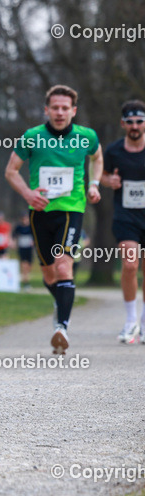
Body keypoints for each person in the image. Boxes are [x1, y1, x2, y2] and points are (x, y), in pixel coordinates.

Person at [4, 84, 102, 354]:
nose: (60, 113)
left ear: (74, 111)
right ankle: (61, 305)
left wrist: (94, 184)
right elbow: (11, 171)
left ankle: (62, 327)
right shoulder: (32, 137)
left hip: (72, 209)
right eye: (55, 108)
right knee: (48, 274)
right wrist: (27, 194)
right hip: (40, 212)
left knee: (62, 267)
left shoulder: (86, 137)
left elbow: (98, 157)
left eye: (65, 108)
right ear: (46, 110)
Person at [101, 99, 145, 345]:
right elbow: (103, 174)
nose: (135, 126)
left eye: (139, 121)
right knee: (130, 265)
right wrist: (109, 182)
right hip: (125, 215)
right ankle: (131, 321)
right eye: (130, 122)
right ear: (123, 124)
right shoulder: (114, 151)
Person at [12, 214, 35, 285]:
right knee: (24, 264)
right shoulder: (18, 227)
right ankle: (26, 281)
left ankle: (26, 275)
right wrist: (14, 242)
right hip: (22, 248)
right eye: (23, 219)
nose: (24, 221)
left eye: (25, 219)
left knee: (29, 265)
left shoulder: (31, 227)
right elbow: (14, 235)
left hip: (29, 248)